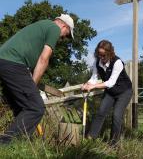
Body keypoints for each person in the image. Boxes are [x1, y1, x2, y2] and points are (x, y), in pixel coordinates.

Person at [0, 13, 74, 144]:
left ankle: (22, 143)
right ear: (64, 26)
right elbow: (44, 59)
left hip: (5, 61)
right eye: (66, 35)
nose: (62, 38)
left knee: (20, 106)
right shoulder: (54, 28)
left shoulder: (42, 24)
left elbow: (27, 49)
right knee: (36, 107)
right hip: (13, 63)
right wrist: (32, 85)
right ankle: (5, 143)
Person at [81, 40, 132, 145]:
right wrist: (87, 84)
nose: (101, 57)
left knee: (116, 115)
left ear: (110, 53)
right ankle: (90, 139)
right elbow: (93, 78)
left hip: (124, 91)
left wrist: (94, 86)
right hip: (110, 92)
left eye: (103, 55)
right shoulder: (97, 63)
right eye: (99, 54)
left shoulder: (117, 62)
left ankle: (113, 143)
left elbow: (110, 82)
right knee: (100, 112)